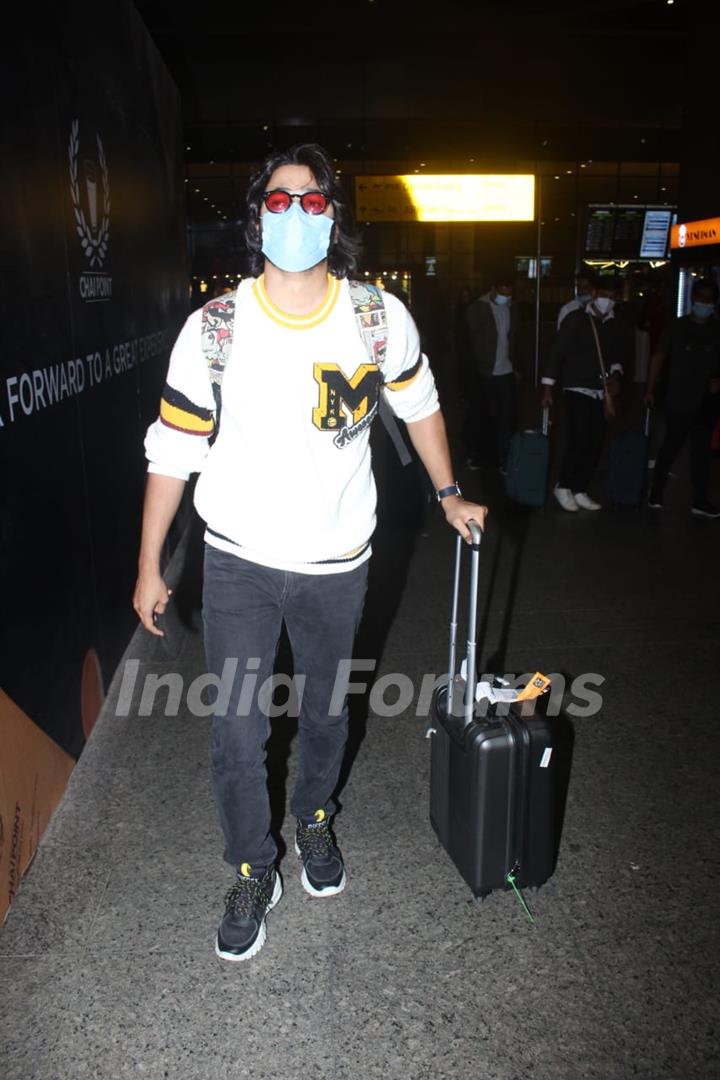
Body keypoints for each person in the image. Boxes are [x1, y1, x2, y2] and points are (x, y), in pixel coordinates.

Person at [132, 143, 488, 963]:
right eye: (280, 201)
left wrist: (446, 492)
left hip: (338, 563)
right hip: (239, 562)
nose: (297, 215)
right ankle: (255, 864)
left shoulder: (375, 317)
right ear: (257, 218)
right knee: (236, 728)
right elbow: (172, 452)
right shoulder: (215, 328)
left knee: (328, 714)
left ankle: (315, 818)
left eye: (314, 201)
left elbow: (422, 402)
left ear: (335, 216)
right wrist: (150, 563)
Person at [541, 276, 633, 511]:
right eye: (604, 295)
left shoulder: (615, 323)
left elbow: (617, 356)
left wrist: (616, 376)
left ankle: (579, 488)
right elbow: (557, 352)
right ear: (593, 293)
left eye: (612, 297)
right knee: (579, 438)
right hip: (575, 387)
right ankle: (563, 485)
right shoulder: (576, 319)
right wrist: (547, 388)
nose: (607, 301)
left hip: (600, 391)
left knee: (595, 440)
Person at [645, 278, 720, 517]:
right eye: (701, 299)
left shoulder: (717, 330)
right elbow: (658, 356)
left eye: (709, 300)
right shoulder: (676, 327)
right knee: (671, 446)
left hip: (707, 400)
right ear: (693, 299)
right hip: (678, 397)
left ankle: (699, 500)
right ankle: (656, 493)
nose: (704, 304)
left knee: (701, 453)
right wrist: (649, 388)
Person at [465, 272, 517, 472]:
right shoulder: (478, 309)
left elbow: (512, 338)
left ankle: (503, 458)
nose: (506, 295)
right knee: (482, 417)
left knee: (506, 418)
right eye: (503, 290)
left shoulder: (510, 308)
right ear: (494, 289)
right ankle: (477, 455)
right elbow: (469, 340)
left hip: (506, 371)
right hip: (484, 372)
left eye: (509, 292)